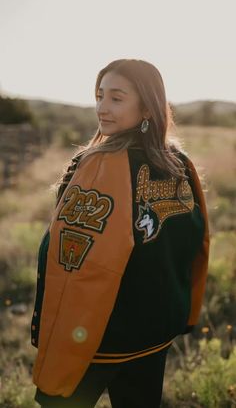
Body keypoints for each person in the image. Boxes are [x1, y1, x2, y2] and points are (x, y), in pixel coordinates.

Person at [31, 58, 210, 408]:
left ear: (146, 106)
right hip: (155, 335)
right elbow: (199, 246)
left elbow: (73, 260)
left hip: (95, 338)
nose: (101, 108)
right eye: (100, 96)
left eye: (116, 98)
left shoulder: (99, 162)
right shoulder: (180, 163)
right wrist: (186, 313)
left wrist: (51, 332)